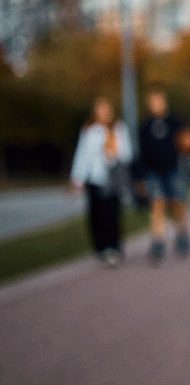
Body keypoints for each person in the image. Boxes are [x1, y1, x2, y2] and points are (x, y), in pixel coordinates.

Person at [69, 97, 132, 267]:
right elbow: (82, 155)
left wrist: (113, 152)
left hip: (113, 179)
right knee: (97, 216)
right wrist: (77, 178)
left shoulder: (119, 128)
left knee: (112, 215)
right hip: (95, 179)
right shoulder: (89, 130)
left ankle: (114, 247)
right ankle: (101, 248)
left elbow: (127, 154)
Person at [137, 86, 190, 264]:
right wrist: (140, 178)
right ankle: (157, 242)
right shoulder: (145, 127)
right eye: (152, 101)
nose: (155, 104)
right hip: (153, 172)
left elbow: (187, 143)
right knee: (157, 203)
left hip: (174, 169)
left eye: (158, 100)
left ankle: (182, 234)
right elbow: (141, 154)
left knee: (177, 203)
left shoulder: (176, 122)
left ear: (164, 100)